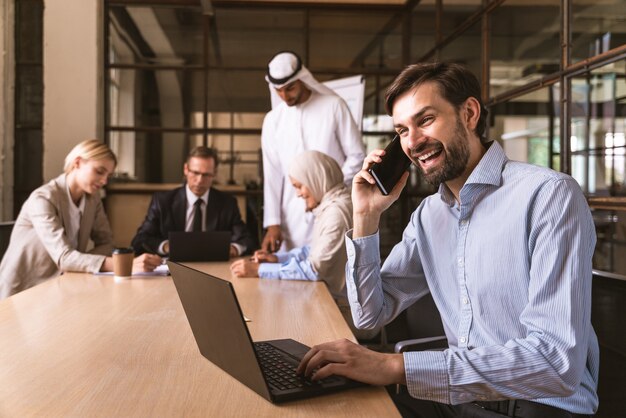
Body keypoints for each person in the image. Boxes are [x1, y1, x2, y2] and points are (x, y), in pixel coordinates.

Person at [296, 62, 598, 418]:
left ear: (469, 113)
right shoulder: (428, 216)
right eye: (401, 131)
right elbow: (369, 316)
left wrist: (395, 367)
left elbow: (554, 362)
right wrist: (365, 215)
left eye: (425, 121)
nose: (412, 143)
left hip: (537, 406)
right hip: (456, 400)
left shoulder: (549, 195)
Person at [230, 150, 378, 340]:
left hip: (345, 311)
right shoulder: (333, 205)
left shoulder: (336, 213)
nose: (298, 194)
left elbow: (315, 270)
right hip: (334, 302)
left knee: (275, 321)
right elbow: (314, 251)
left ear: (316, 178)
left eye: (299, 186)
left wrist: (259, 270)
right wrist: (276, 258)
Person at [0, 139, 162, 299]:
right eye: (99, 171)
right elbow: (64, 257)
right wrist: (123, 264)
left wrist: (78, 262)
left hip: (61, 285)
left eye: (108, 175)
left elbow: (106, 243)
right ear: (77, 163)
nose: (104, 181)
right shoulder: (43, 198)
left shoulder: (92, 199)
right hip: (23, 292)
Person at [260, 51, 365, 252]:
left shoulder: (333, 106)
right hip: (291, 216)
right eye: (278, 90)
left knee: (332, 272)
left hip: (333, 208)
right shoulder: (272, 121)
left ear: (302, 79)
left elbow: (357, 155)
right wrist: (273, 224)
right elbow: (272, 174)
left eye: (290, 88)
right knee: (291, 272)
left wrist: (327, 187)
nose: (284, 96)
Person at [131, 146, 256, 257]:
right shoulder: (163, 202)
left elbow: (247, 240)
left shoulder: (227, 203)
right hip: (173, 270)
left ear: (214, 174)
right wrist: (166, 246)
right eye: (195, 173)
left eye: (207, 175)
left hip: (215, 269)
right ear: (186, 169)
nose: (200, 180)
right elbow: (140, 240)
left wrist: (234, 249)